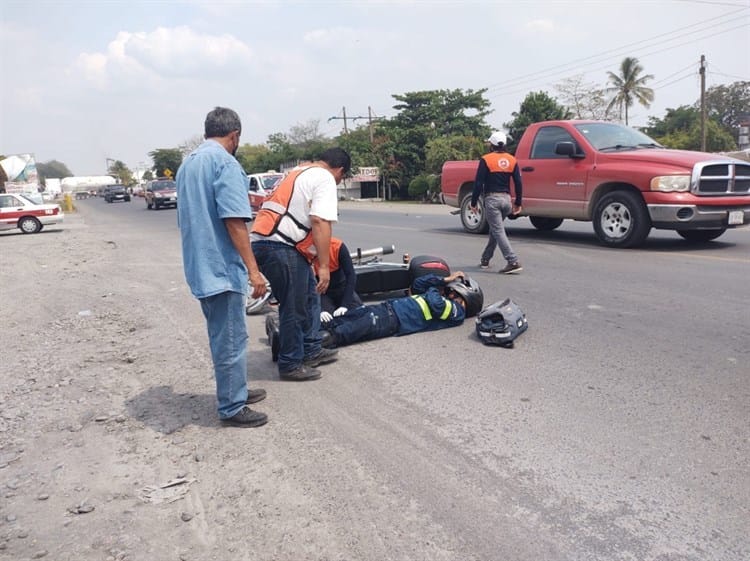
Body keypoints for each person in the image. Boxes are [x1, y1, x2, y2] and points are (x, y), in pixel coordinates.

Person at [176, 106, 268, 428]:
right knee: (230, 338)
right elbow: (234, 221)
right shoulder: (225, 163)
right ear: (234, 136)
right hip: (221, 269)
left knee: (224, 335)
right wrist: (254, 271)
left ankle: (235, 390)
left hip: (200, 266)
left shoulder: (188, 163)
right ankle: (232, 406)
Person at [251, 147, 351, 381]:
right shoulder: (325, 177)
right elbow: (320, 221)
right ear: (340, 171)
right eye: (341, 178)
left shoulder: (300, 170)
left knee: (309, 297)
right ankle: (290, 363)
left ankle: (310, 349)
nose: (338, 182)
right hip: (279, 246)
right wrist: (324, 266)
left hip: (273, 243)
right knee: (294, 306)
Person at [320, 272, 483, 348]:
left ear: (465, 297)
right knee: (346, 318)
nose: (450, 291)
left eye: (453, 291)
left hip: (393, 320)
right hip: (387, 308)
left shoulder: (457, 311)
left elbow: (436, 305)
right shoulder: (439, 296)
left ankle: (317, 345)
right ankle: (310, 334)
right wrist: (442, 280)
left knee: (348, 331)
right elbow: (418, 284)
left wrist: (435, 288)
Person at [470, 131, 523, 274]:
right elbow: (518, 182)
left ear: (491, 145)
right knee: (495, 230)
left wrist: (473, 202)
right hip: (506, 201)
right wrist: (518, 202)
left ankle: (512, 261)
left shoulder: (486, 159)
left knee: (498, 230)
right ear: (504, 144)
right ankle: (485, 259)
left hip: (492, 200)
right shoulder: (512, 160)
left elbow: (478, 183)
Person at [315, 237, 363, 323]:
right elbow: (308, 284)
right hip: (322, 292)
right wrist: (320, 309)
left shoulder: (337, 246)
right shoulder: (307, 251)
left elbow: (351, 276)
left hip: (341, 287)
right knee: (327, 321)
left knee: (360, 315)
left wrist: (345, 305)